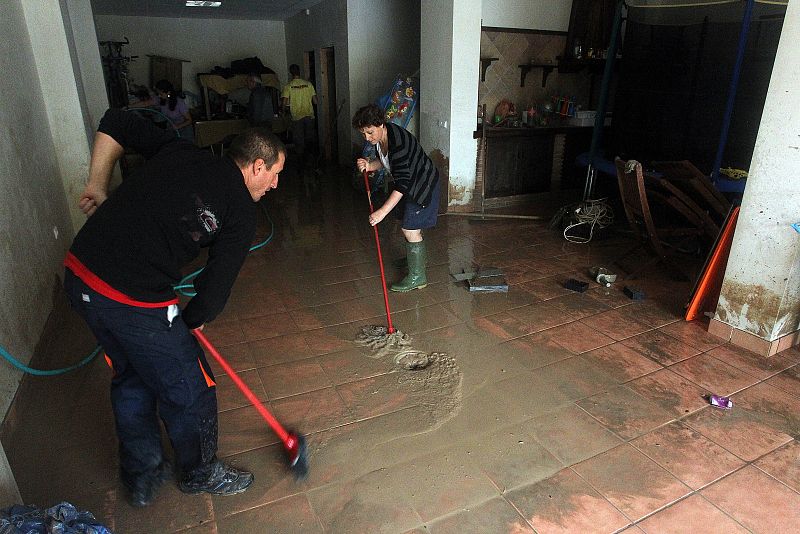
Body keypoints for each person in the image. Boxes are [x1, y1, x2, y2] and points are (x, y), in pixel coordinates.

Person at [63, 108, 285, 507]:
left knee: (132, 374)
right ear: (257, 166)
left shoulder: (181, 150)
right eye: (274, 174)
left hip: (79, 276)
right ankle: (199, 473)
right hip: (129, 296)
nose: (275, 184)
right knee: (191, 385)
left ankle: (142, 474)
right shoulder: (240, 209)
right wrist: (190, 322)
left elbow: (116, 121)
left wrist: (97, 184)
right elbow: (214, 294)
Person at [353, 104, 440, 292]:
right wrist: (370, 165)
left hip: (422, 184)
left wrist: (382, 212)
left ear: (381, 124)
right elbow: (387, 162)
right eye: (363, 134)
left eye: (370, 132)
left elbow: (402, 183)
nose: (367, 138)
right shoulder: (382, 138)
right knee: (408, 224)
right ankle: (415, 259)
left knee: (410, 228)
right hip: (410, 182)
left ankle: (418, 277)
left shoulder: (397, 143)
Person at [129, 79, 194, 141]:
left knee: (184, 146)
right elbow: (145, 103)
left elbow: (189, 120)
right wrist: (129, 107)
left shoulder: (179, 102)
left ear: (168, 92)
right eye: (158, 94)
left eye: (161, 94)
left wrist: (177, 126)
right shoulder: (160, 99)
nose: (159, 96)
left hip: (184, 130)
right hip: (171, 128)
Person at [281, 64, 318, 166]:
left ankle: (301, 164)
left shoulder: (288, 86)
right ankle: (311, 161)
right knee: (310, 139)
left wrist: (283, 112)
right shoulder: (308, 84)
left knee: (299, 141)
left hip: (297, 118)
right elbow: (315, 101)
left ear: (291, 73)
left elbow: (284, 103)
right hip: (309, 116)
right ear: (299, 71)